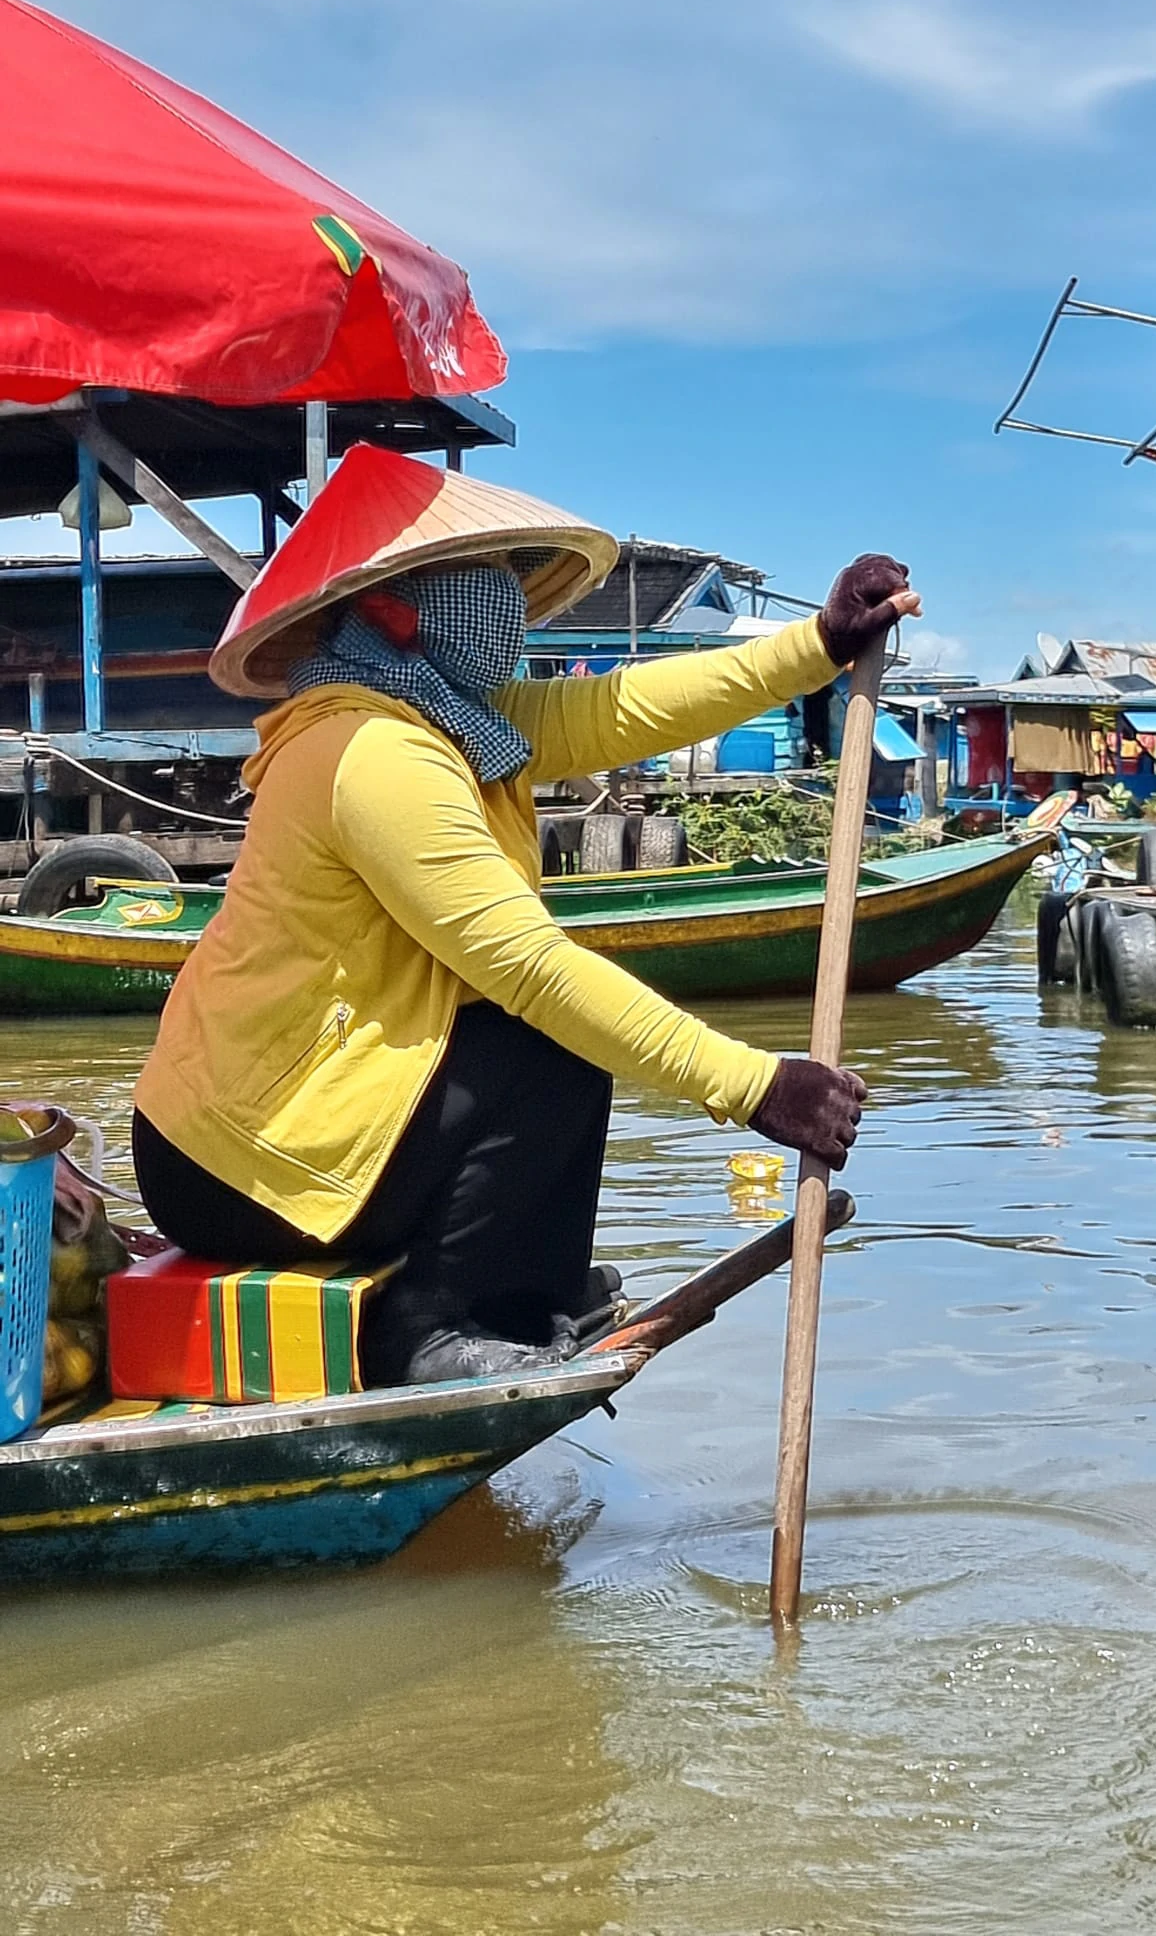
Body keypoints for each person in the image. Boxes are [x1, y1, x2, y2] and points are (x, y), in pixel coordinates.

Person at [131, 446, 921, 1385]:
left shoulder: (448, 716)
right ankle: (425, 1330)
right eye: (481, 584)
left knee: (539, 1051)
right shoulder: (374, 751)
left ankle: (509, 1297)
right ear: (391, 611)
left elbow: (623, 710)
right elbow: (529, 966)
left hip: (302, 1110)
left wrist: (818, 645)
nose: (505, 602)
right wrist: (756, 1086)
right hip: (234, 1160)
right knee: (544, 1046)